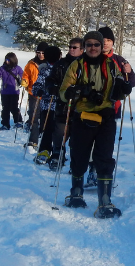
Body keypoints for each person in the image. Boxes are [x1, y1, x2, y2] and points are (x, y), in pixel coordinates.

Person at [58, 31, 132, 218]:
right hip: (82, 117)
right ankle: (76, 192)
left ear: (101, 46)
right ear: (84, 46)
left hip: (106, 117)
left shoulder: (110, 65)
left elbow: (118, 89)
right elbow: (63, 92)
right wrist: (79, 92)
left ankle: (105, 200)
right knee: (79, 155)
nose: (93, 48)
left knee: (104, 158)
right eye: (89, 44)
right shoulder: (76, 65)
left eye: (96, 45)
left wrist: (123, 89)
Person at [79, 26, 135, 187]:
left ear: (113, 42)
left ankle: (102, 174)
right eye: (103, 40)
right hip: (90, 108)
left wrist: (130, 71)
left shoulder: (119, 60)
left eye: (109, 40)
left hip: (112, 109)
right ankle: (92, 171)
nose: (105, 43)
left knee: (105, 144)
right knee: (90, 143)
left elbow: (131, 83)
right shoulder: (87, 59)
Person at [44, 37, 84, 170]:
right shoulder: (61, 63)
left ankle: (75, 162)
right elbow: (50, 79)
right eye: (70, 47)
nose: (71, 50)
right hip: (63, 103)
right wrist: (53, 87)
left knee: (77, 136)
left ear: (82, 49)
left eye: (75, 47)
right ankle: (57, 155)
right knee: (60, 131)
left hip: (80, 105)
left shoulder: (85, 64)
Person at [32, 45, 62, 164]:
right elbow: (37, 84)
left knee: (58, 130)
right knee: (47, 128)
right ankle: (44, 150)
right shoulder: (44, 70)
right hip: (47, 105)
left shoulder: (63, 68)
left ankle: (58, 152)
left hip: (60, 105)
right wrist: (38, 90)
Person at [22, 42, 48, 147]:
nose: (41, 54)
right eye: (39, 52)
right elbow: (26, 74)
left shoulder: (50, 64)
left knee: (45, 117)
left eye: (43, 52)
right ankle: (33, 140)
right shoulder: (31, 63)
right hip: (33, 93)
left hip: (47, 95)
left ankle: (43, 135)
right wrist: (25, 80)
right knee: (33, 116)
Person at [0, 53, 25, 131]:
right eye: (6, 60)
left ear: (13, 60)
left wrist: (23, 81)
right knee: (5, 109)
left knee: (14, 108)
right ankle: (5, 124)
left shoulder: (18, 68)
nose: (7, 61)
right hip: (4, 92)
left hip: (14, 91)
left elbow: (22, 77)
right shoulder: (2, 68)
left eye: (8, 60)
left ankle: (18, 121)